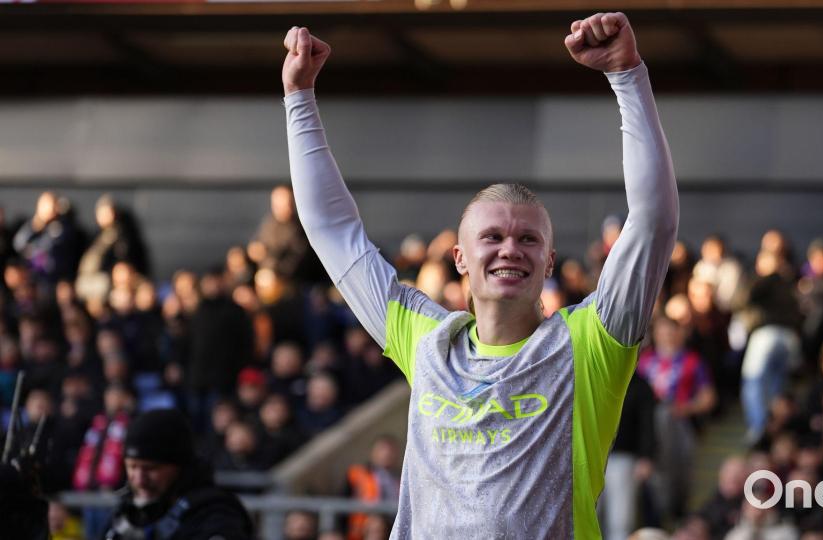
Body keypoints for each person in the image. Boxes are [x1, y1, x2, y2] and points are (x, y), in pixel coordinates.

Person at [282, 11, 678, 539]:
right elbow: (332, 231)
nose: (510, 249)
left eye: (529, 239)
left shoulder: (589, 344)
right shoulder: (425, 339)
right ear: (460, 259)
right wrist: (299, 99)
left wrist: (627, 75)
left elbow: (652, 221)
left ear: (551, 262)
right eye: (492, 237)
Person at [104, 408, 253, 540]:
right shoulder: (127, 515)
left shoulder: (216, 516)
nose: (139, 479)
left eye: (150, 469)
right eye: (132, 467)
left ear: (178, 466)